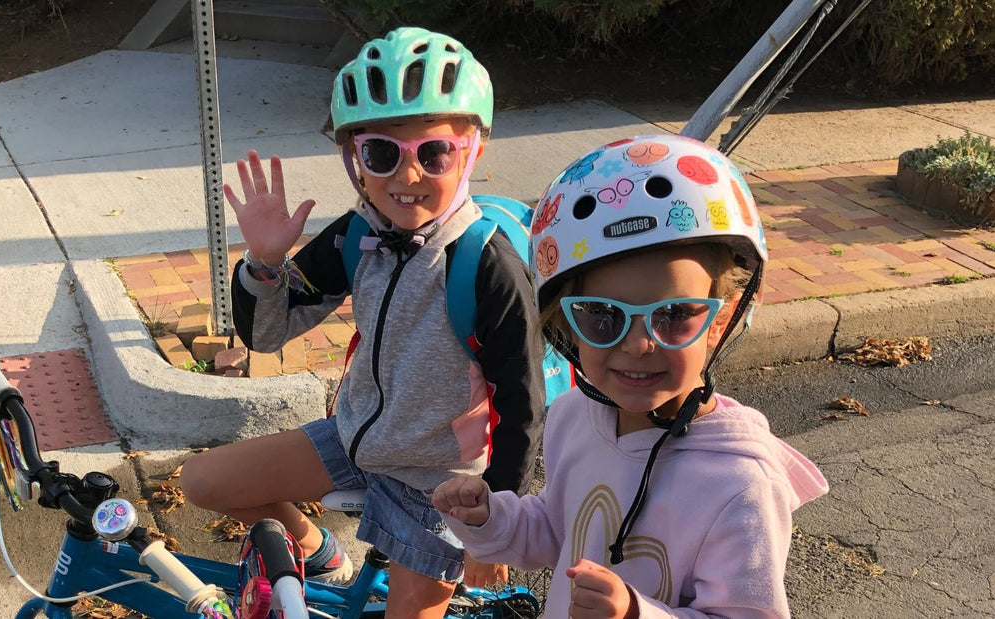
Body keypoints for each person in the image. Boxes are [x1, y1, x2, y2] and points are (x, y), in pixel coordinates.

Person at [178, 27, 547, 618]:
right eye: (381, 153)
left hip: (441, 484)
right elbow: (267, 335)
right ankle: (318, 553)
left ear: (472, 150)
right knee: (203, 481)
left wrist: (493, 523)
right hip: (355, 441)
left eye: (433, 153)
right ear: (356, 159)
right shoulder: (359, 234)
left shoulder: (488, 264)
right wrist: (264, 264)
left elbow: (523, 403)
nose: (406, 177)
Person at [432, 135, 829, 618]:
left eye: (676, 313)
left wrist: (636, 613)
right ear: (566, 327)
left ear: (719, 323)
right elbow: (558, 529)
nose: (639, 343)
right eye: (602, 315)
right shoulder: (575, 416)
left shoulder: (740, 482)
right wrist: (491, 518)